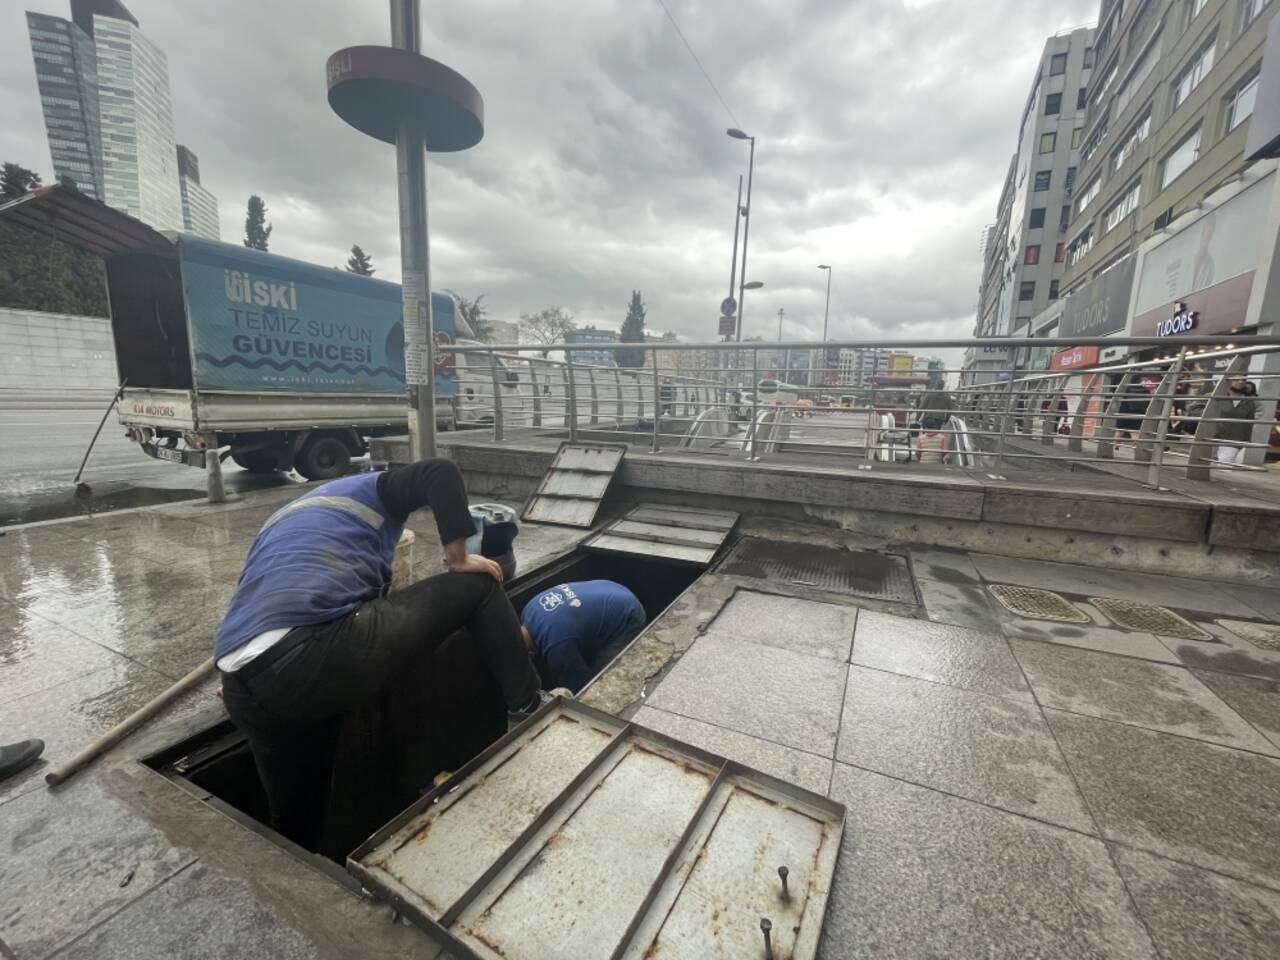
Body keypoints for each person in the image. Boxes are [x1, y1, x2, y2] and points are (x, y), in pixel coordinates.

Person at [216, 458, 542, 850]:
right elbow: (440, 472)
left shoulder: (290, 523)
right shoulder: (372, 490)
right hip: (310, 648)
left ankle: (305, 885)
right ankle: (528, 709)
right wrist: (458, 558)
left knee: (297, 818)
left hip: (241, 682)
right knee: (479, 586)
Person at [520, 581, 646, 692]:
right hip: (611, 589)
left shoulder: (557, 647)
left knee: (602, 679)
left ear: (530, 655)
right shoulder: (527, 610)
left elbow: (582, 685)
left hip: (628, 615)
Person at [1215, 376, 1257, 466]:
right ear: (1228, 380)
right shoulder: (1214, 396)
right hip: (1209, 438)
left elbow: (1249, 423)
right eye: (1236, 379)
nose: (1241, 382)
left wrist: (1245, 440)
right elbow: (1195, 411)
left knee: (1223, 470)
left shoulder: (1249, 402)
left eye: (1244, 380)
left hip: (1232, 441)